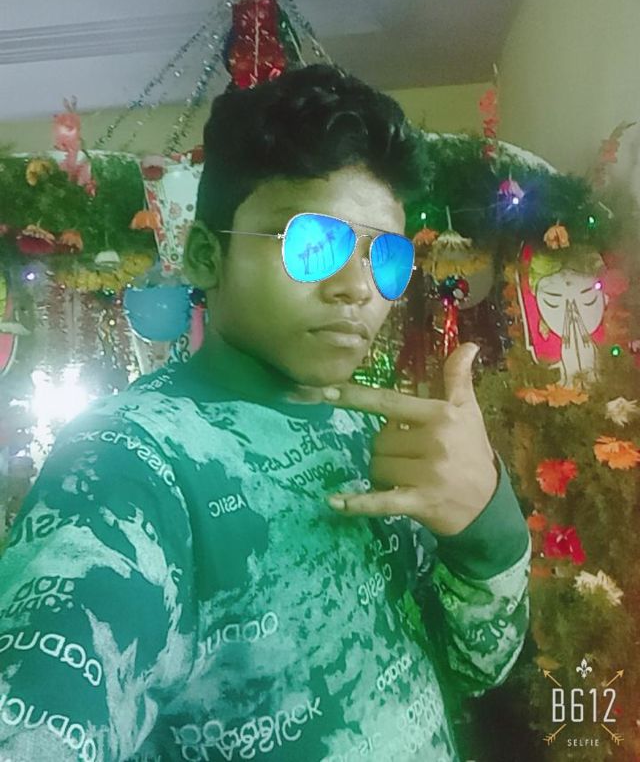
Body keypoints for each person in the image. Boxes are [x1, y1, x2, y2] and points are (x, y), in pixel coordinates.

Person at [0, 64, 531, 761]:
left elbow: (476, 665)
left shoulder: (377, 432)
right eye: (313, 245)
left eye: (386, 257)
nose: (358, 288)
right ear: (205, 255)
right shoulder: (125, 468)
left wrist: (485, 525)